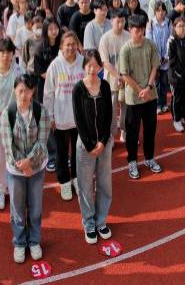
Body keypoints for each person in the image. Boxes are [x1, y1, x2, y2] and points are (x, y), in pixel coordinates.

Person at [2, 74, 50, 265]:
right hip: (15, 171)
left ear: (33, 92)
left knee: (36, 207)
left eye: (27, 91)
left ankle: (34, 241)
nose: (23, 95)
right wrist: (23, 166)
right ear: (15, 91)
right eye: (20, 91)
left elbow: (42, 143)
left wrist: (30, 163)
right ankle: (20, 242)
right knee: (17, 208)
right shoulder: (8, 113)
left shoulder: (41, 111)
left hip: (36, 169)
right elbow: (8, 146)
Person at [72, 50, 113, 245]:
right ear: (84, 67)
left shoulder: (105, 86)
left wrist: (103, 141)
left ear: (100, 67)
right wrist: (90, 145)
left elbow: (109, 115)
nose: (92, 69)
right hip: (85, 146)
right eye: (88, 65)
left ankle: (101, 221)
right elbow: (78, 119)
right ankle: (89, 223)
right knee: (85, 186)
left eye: (95, 65)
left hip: (104, 144)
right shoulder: (78, 89)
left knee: (104, 183)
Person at [117, 14, 161, 180]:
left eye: (142, 30)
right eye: (136, 30)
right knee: (132, 132)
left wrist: (148, 87)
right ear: (130, 30)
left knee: (150, 129)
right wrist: (140, 90)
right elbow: (124, 75)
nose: (140, 33)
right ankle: (132, 161)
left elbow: (155, 67)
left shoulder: (150, 45)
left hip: (150, 95)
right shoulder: (125, 50)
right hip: (133, 99)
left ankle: (149, 158)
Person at [43, 31, 84, 200]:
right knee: (61, 152)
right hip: (60, 117)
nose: (71, 47)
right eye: (67, 44)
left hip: (79, 117)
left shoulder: (82, 62)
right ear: (61, 46)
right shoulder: (55, 65)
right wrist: (50, 116)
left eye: (73, 44)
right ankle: (64, 182)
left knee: (78, 151)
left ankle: (76, 178)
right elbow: (48, 93)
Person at [0, 38, 24, 210]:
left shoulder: (18, 71)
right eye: (2, 52)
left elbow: (23, 96)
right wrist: (2, 119)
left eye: (9, 52)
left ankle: (15, 190)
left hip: (17, 119)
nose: (6, 56)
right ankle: (0, 190)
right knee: (0, 158)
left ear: (13, 54)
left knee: (17, 156)